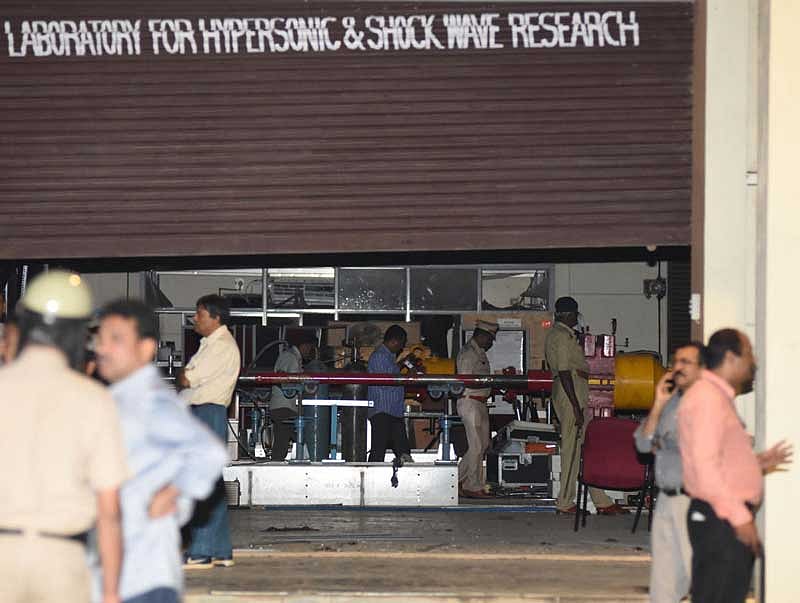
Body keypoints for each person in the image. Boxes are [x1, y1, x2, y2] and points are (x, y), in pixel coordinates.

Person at [0, 271, 128, 603]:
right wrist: (112, 591)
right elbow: (109, 510)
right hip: (62, 560)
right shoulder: (94, 399)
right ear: (78, 334)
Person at [94, 300, 228, 602]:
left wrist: (173, 493)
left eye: (116, 339)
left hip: (144, 572)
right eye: (100, 338)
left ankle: (206, 550)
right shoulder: (117, 398)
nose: (103, 348)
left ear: (145, 349)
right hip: (121, 567)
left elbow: (209, 453)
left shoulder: (149, 401)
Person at [678, 329, 792, 603]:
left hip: (721, 517)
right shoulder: (707, 399)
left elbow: (715, 458)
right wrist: (740, 518)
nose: (753, 362)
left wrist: (757, 463)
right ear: (730, 357)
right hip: (722, 520)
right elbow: (705, 469)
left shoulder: (714, 396)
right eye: (749, 354)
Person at [634, 342, 704, 603]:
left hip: (695, 500)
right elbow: (643, 443)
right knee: (663, 584)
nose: (679, 368)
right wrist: (658, 404)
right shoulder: (670, 401)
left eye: (687, 362)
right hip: (666, 498)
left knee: (697, 576)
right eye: (676, 362)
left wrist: (663, 442)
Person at [544, 296, 625, 515]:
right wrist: (575, 407)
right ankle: (565, 502)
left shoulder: (564, 335)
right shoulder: (561, 336)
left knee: (585, 448)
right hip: (570, 392)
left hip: (575, 390)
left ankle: (601, 500)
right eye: (575, 315)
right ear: (570, 315)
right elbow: (564, 371)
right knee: (571, 449)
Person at [178, 294, 241, 568]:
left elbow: (186, 378)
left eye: (199, 313)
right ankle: (219, 549)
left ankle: (201, 549)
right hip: (207, 412)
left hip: (208, 411)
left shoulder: (220, 346)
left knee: (200, 481)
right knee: (212, 484)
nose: (195, 318)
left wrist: (184, 375)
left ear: (215, 318)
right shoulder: (213, 344)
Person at [456, 319, 498, 498]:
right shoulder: (468, 353)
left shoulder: (479, 353)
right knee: (476, 446)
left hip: (480, 402)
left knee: (482, 445)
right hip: (470, 402)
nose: (490, 343)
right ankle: (471, 486)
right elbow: (466, 379)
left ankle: (458, 481)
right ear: (481, 336)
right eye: (489, 339)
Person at [367, 325, 414, 463]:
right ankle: (372, 479)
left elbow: (390, 374)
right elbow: (386, 382)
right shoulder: (380, 357)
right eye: (401, 344)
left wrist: (402, 365)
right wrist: (407, 377)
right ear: (394, 341)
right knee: (379, 450)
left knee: (402, 451)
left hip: (391, 411)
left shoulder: (387, 357)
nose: (401, 348)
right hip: (383, 410)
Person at [270, 331, 317, 461]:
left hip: (284, 406)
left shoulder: (292, 357)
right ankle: (274, 468)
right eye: (309, 347)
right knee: (286, 441)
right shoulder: (290, 357)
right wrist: (302, 379)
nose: (309, 351)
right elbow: (281, 376)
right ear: (303, 346)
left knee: (283, 441)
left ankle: (275, 466)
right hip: (284, 407)